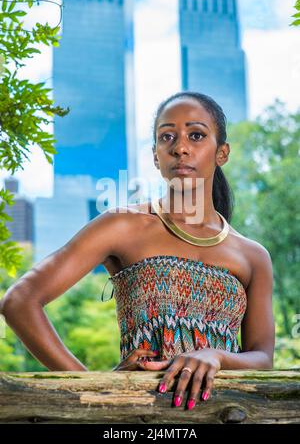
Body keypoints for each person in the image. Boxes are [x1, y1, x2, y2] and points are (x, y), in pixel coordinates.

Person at [0, 91, 275, 412]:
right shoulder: (122, 225)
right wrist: (95, 389)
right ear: (157, 156)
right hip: (139, 415)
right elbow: (19, 301)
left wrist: (215, 355)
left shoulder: (253, 255)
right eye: (166, 137)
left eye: (196, 135)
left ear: (222, 153)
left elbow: (262, 357)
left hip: (228, 414)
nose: (180, 147)